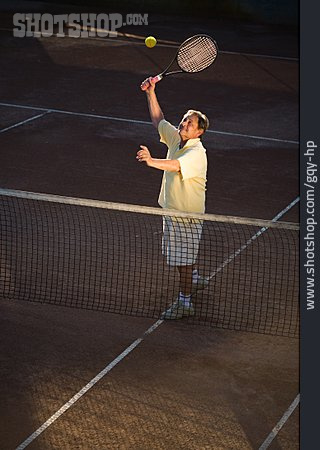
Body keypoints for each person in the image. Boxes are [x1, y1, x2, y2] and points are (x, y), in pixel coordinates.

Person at [137, 77, 209, 319]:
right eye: (185, 119)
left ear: (199, 132)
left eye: (190, 122)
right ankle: (196, 279)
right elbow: (159, 120)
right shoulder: (178, 138)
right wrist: (151, 92)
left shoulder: (196, 152)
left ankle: (185, 302)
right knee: (181, 255)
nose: (185, 123)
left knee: (183, 259)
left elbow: (176, 166)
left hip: (185, 217)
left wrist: (150, 161)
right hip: (171, 210)